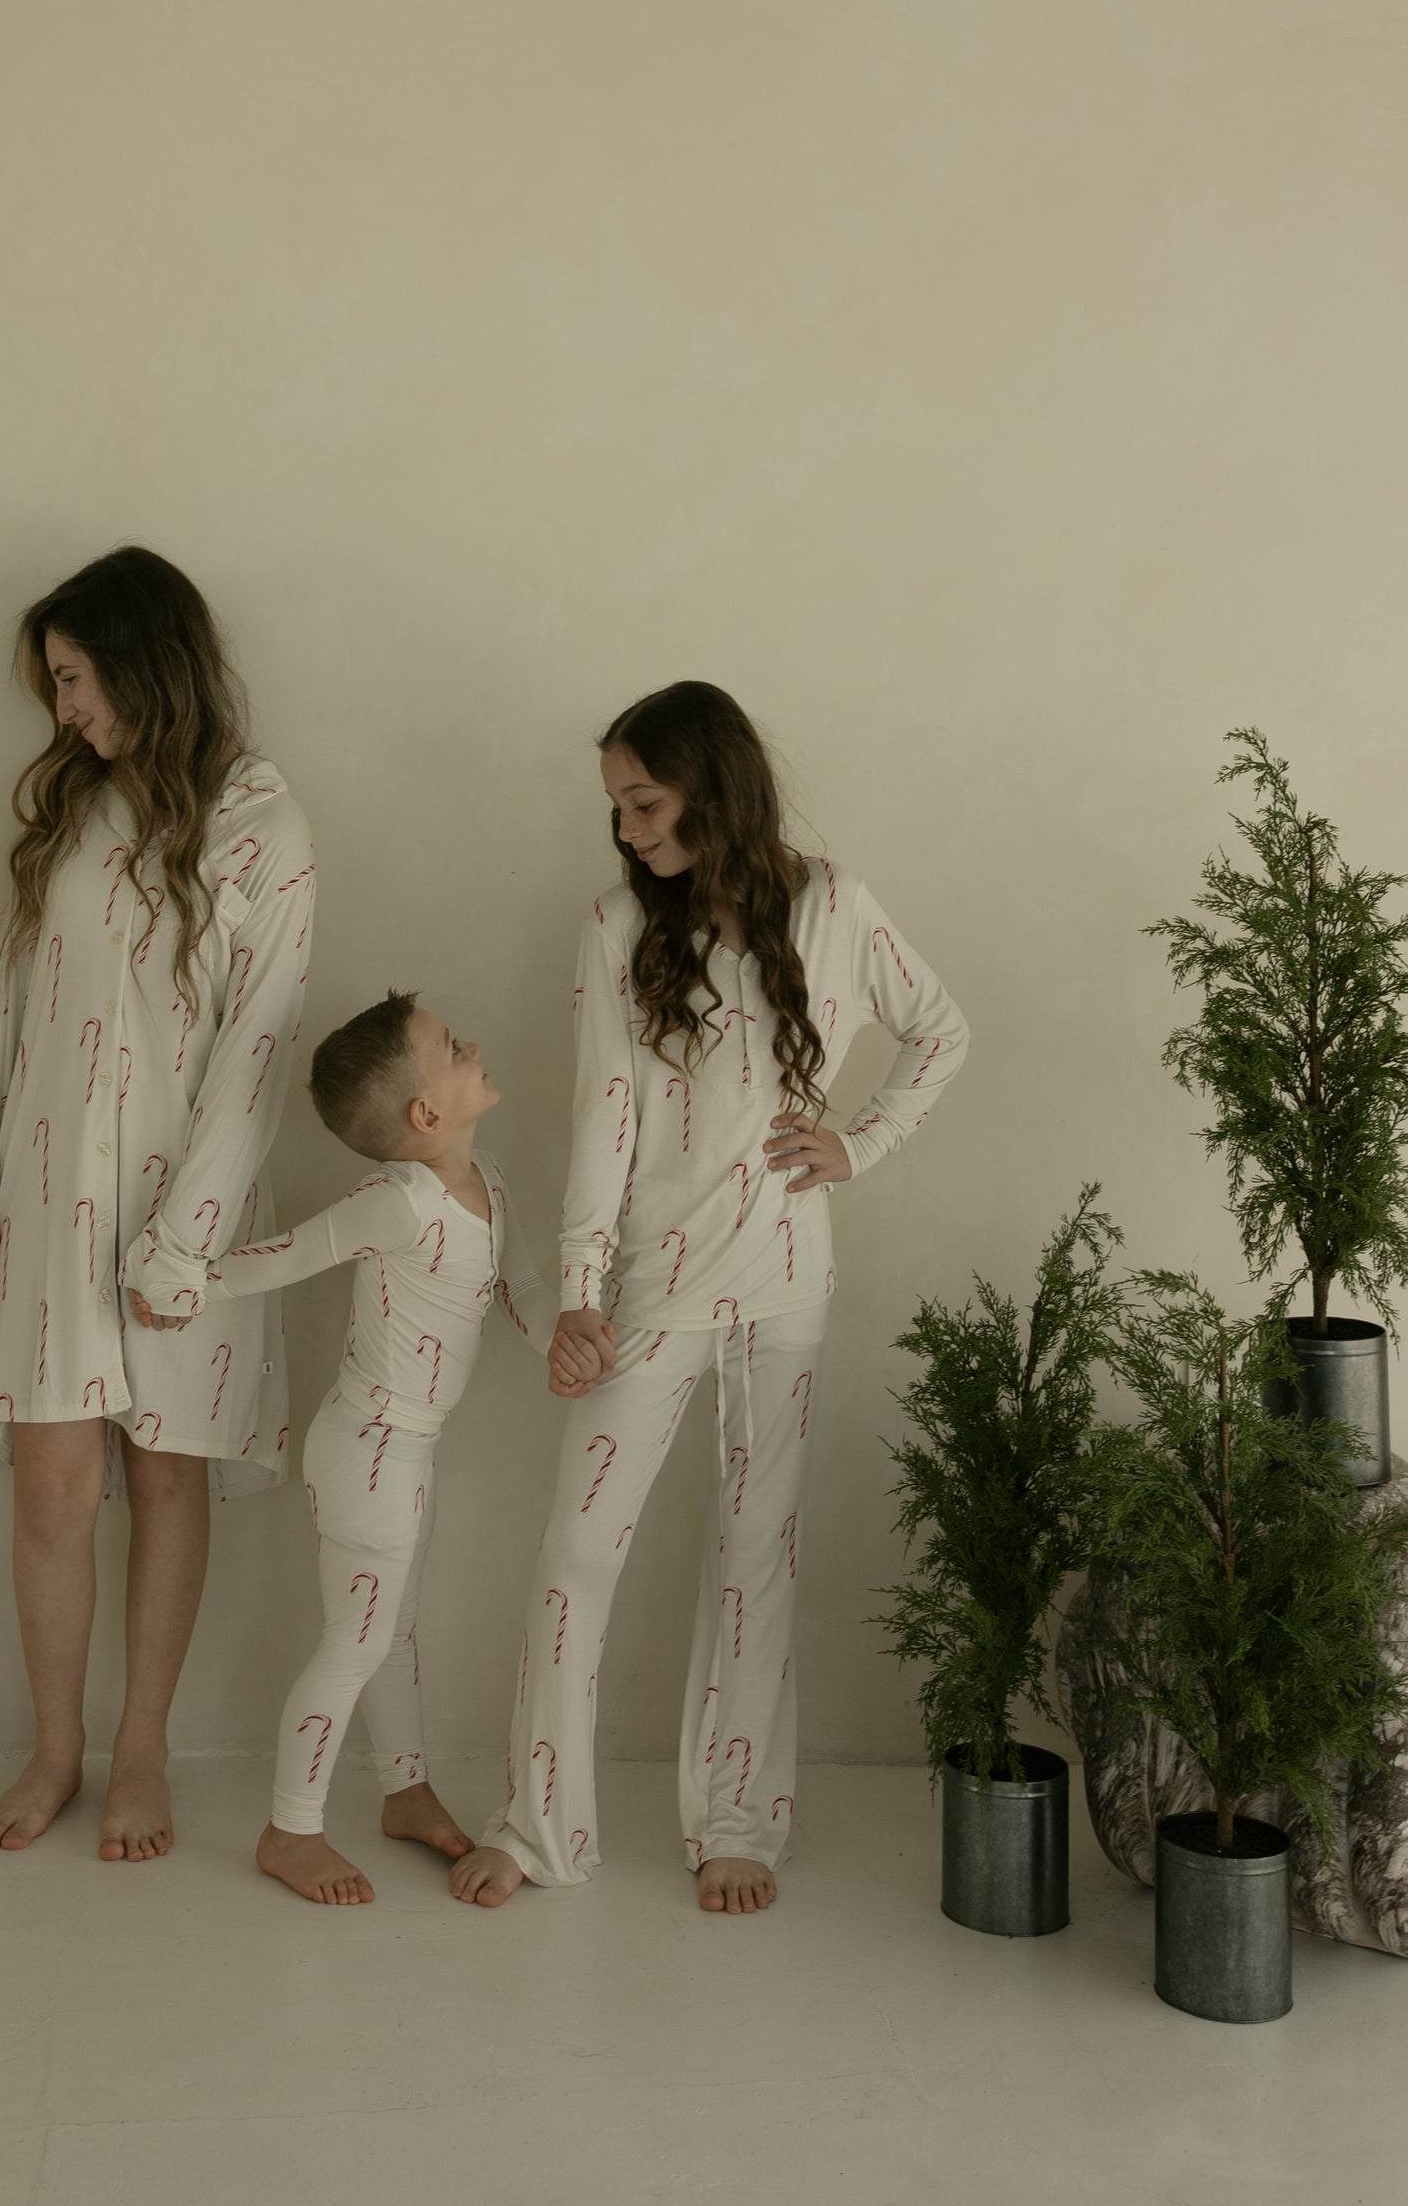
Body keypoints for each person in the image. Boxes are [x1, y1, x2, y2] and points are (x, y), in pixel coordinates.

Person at [451, 681, 968, 1916]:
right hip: (654, 1287)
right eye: (617, 807)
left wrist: (862, 1140)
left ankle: (736, 1822)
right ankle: (536, 1824)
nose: (628, 828)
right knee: (577, 1549)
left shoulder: (831, 907)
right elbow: (601, 1122)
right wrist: (581, 1295)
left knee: (754, 1559)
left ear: (714, 787)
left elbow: (938, 1030)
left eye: (644, 800)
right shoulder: (618, 926)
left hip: (786, 1282)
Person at [0, 546, 314, 1858]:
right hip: (48, 1197)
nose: (66, 709)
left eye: (77, 675)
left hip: (178, 1202)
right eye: (55, 684)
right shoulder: (70, 821)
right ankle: (56, 1749)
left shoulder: (262, 817)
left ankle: (142, 1750)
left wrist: (186, 1236)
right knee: (49, 1484)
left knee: (163, 1475)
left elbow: (256, 1048)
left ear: (144, 659)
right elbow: (5, 1008)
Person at [130, 990, 553, 1904]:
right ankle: (291, 1830)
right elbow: (290, 1253)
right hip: (367, 1449)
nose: (472, 1039)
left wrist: (574, 1344)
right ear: (425, 1114)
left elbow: (522, 1291)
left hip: (414, 1449)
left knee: (392, 1631)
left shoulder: (491, 1184)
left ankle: (405, 1792)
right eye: (451, 1043)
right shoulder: (399, 1200)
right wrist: (187, 1283)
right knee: (354, 1644)